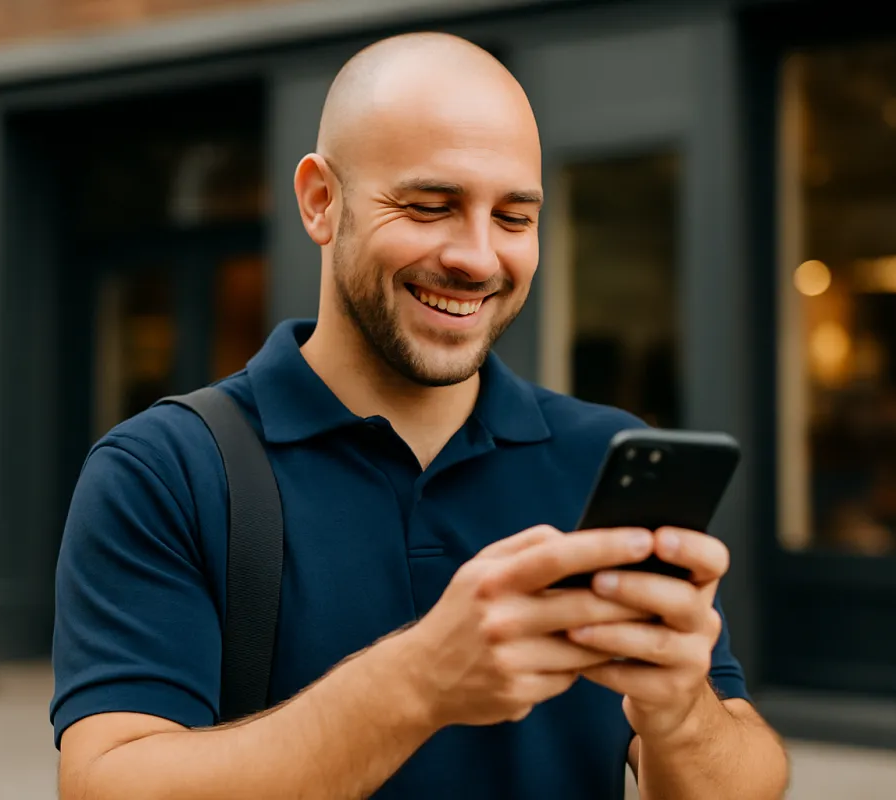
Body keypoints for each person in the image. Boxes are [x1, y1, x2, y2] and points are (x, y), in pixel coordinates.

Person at [52, 32, 789, 800]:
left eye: (513, 218)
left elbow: (745, 781)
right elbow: (108, 783)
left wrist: (679, 709)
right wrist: (416, 682)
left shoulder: (602, 454)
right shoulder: (166, 469)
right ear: (320, 201)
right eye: (430, 206)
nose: (477, 257)